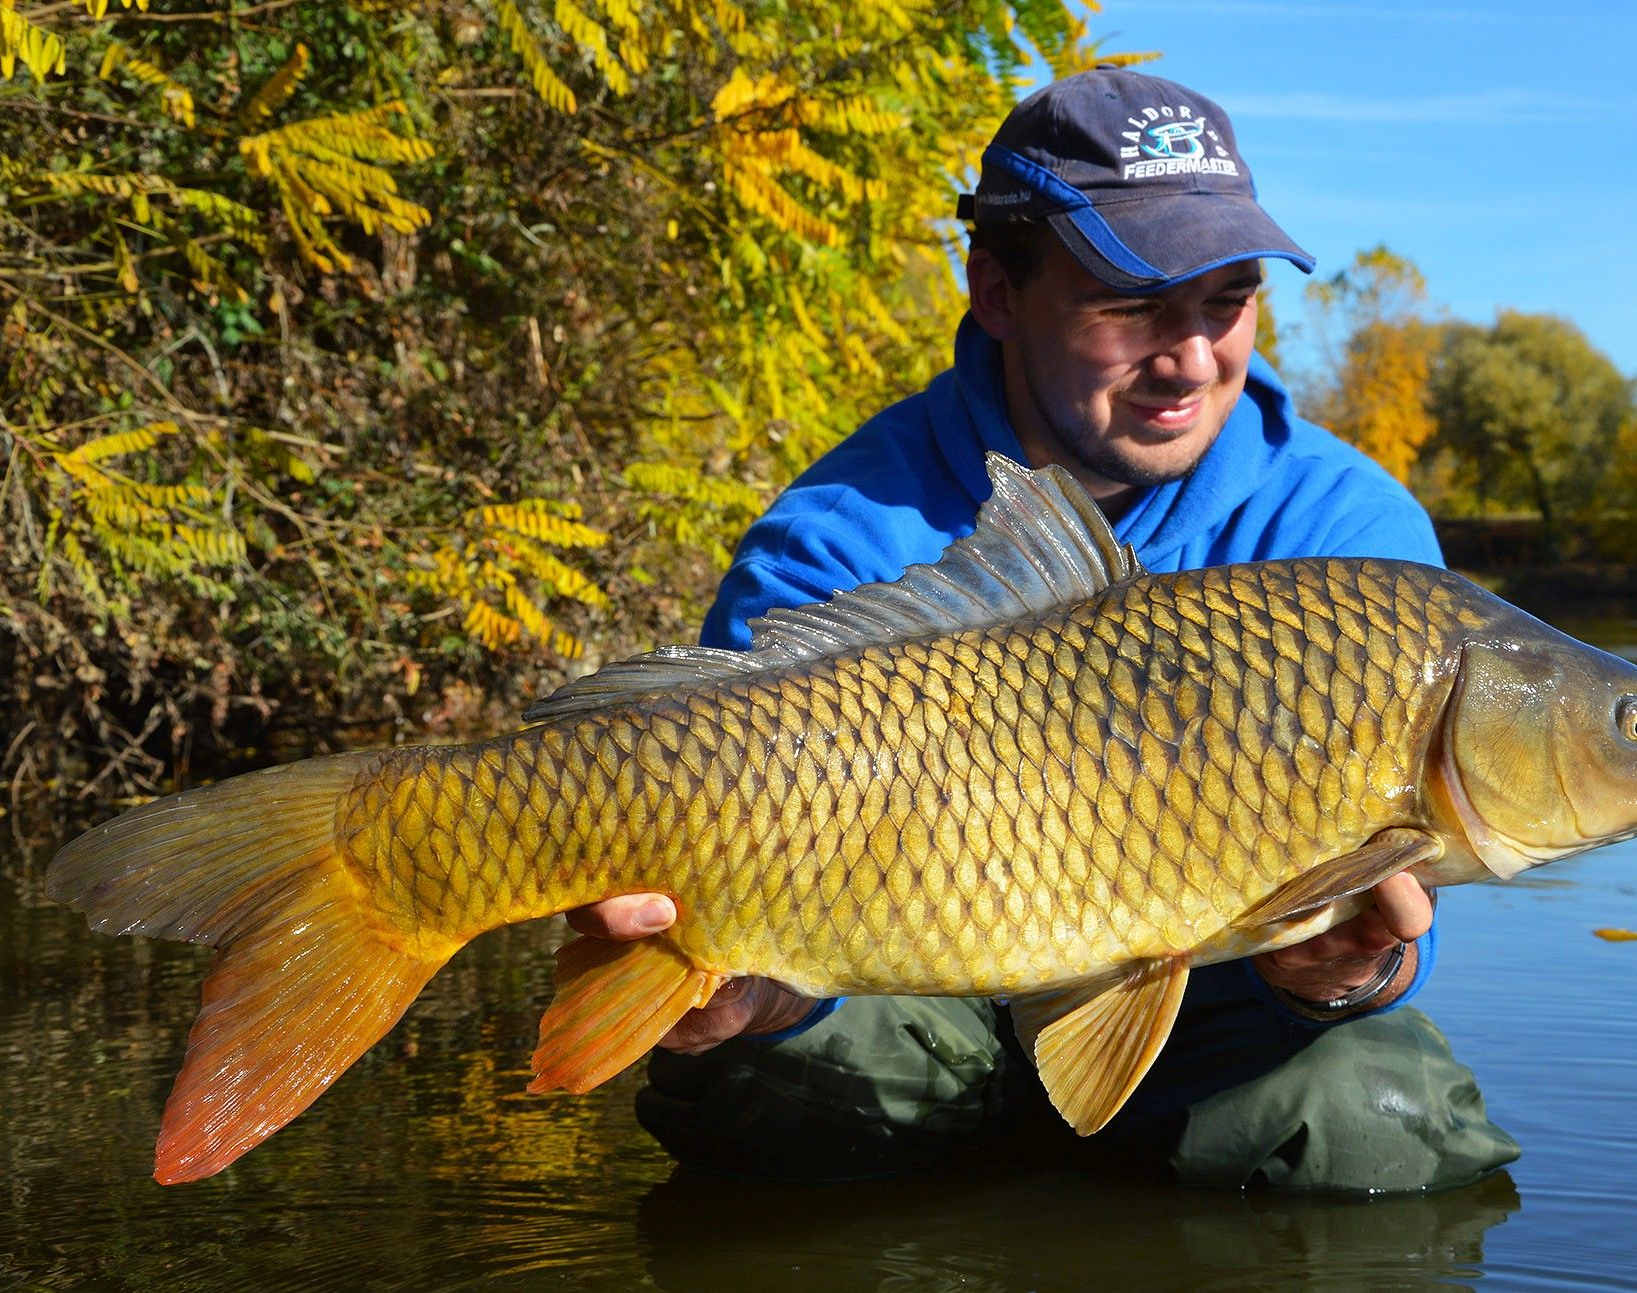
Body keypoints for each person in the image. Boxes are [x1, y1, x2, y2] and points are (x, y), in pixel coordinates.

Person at [571, 68, 1519, 1190]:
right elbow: (700, 807)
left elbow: (1404, 903)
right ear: (997, 293)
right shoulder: (842, 532)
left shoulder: (1345, 534)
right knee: (773, 1093)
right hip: (895, 980)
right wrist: (747, 1001)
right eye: (1132, 307)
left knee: (1374, 1125)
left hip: (1219, 999)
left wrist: (1342, 973)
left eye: (1228, 304)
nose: (1192, 359)